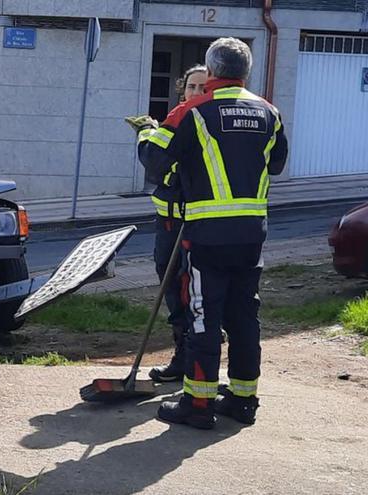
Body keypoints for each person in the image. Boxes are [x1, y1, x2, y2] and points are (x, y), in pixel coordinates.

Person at [136, 38, 288, 429]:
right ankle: (242, 399)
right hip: (252, 234)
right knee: (244, 317)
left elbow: (155, 159)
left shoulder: (194, 110)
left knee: (203, 315)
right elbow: (277, 165)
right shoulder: (269, 111)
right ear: (246, 71)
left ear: (212, 71)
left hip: (207, 235)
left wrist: (144, 134)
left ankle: (198, 406)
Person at [145, 65, 208, 384]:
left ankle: (190, 357)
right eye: (192, 87)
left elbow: (159, 167)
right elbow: (161, 172)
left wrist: (145, 137)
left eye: (203, 87)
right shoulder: (177, 118)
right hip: (167, 223)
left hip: (193, 222)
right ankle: (183, 353)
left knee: (190, 289)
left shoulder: (204, 123)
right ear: (182, 89)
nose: (197, 93)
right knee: (171, 286)